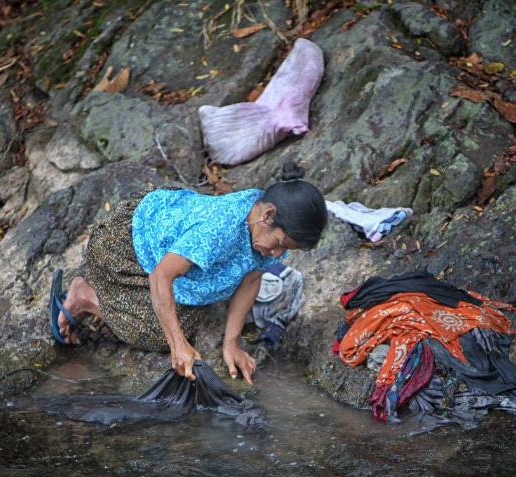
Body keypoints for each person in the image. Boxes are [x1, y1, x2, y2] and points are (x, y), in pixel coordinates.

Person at [56, 161, 327, 384]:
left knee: (194, 319)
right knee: (153, 331)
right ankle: (86, 295)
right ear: (267, 215)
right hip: (127, 247)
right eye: (280, 244)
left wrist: (231, 344)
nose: (279, 255)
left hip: (174, 251)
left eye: (287, 249)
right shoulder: (217, 231)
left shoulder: (264, 223)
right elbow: (161, 276)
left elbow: (253, 277)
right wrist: (177, 345)